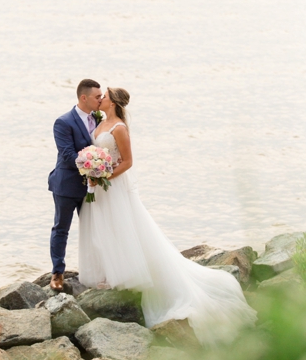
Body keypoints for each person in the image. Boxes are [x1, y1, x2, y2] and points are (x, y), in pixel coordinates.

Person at [78, 87, 256, 344]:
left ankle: (127, 274)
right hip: (100, 187)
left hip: (113, 186)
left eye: (104, 95)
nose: (100, 98)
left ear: (113, 102)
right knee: (105, 227)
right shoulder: (100, 123)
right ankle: (109, 271)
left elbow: (127, 162)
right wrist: (91, 171)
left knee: (124, 226)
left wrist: (104, 175)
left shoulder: (119, 128)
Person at [48, 78, 103, 292]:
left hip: (92, 186)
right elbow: (68, 154)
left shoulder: (98, 119)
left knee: (93, 229)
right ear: (84, 97)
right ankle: (57, 273)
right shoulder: (63, 122)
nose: (100, 100)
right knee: (61, 228)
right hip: (66, 184)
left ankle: (94, 271)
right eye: (97, 97)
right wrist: (93, 168)